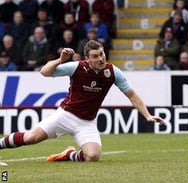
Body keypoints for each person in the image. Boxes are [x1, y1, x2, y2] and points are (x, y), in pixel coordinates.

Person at [0, 40, 165, 162]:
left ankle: (68, 155)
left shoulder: (113, 72)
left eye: (101, 54)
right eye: (95, 56)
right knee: (30, 138)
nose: (100, 59)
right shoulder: (76, 67)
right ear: (88, 59)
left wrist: (148, 115)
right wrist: (60, 60)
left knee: (93, 156)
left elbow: (132, 95)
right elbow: (44, 72)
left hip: (87, 123)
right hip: (65, 115)